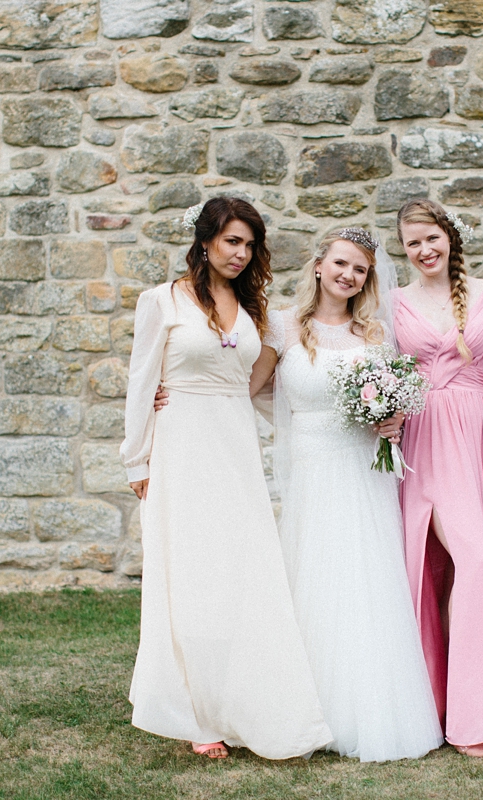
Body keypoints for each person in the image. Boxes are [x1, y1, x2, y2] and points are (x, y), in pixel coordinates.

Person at [121, 196, 332, 761]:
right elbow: (142, 382)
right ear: (207, 240)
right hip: (181, 447)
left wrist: (325, 426)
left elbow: (260, 390)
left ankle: (245, 699)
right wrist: (136, 459)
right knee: (190, 575)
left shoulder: (255, 310)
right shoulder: (161, 301)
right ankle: (196, 713)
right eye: (232, 241)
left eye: (250, 244)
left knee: (242, 574)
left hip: (235, 451)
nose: (240, 253)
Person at [251, 227, 443, 762]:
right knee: (313, 577)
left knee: (364, 582)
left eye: (359, 269)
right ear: (318, 265)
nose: (348, 275)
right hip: (312, 469)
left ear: (367, 278)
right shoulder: (284, 326)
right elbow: (252, 388)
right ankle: (302, 713)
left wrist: (391, 419)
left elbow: (397, 398)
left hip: (362, 471)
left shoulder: (375, 334)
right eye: (340, 263)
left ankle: (368, 713)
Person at [385, 199, 483, 757]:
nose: (424, 250)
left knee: (475, 565)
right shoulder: (392, 302)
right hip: (424, 439)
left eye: (431, 238)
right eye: (412, 242)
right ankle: (451, 714)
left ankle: (471, 705)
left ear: (450, 237)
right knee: (445, 563)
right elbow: (371, 364)